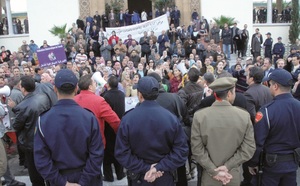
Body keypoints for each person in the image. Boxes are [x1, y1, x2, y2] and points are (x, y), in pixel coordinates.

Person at [34, 69, 104, 186]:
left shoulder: (44, 120)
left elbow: (41, 160)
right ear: (76, 88)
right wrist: (83, 182)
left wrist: (63, 183)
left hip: (60, 178)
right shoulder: (89, 117)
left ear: (55, 88)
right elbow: (96, 155)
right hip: (87, 178)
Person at [115, 76, 188, 186]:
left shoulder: (128, 119)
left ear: (139, 95)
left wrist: (148, 168)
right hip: (163, 174)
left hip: (140, 176)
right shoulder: (171, 118)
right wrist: (157, 167)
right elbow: (181, 151)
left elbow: (121, 153)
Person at [191, 77, 256, 186]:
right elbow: (249, 148)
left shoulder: (200, 116)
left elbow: (197, 149)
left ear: (215, 94)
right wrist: (228, 166)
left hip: (209, 176)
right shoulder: (244, 116)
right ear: (229, 94)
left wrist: (213, 170)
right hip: (231, 175)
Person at [248, 69, 300, 186]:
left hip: (271, 165)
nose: (269, 87)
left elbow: (258, 142)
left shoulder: (267, 111)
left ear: (275, 86)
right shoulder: (298, 106)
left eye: (270, 85)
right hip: (292, 163)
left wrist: (253, 163)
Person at [74, 74, 121, 181]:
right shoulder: (99, 101)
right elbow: (115, 121)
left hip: (76, 144)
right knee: (95, 175)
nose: (96, 85)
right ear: (90, 87)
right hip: (95, 145)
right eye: (95, 83)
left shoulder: (73, 100)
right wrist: (122, 137)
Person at [11, 76, 51, 186]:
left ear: (22, 88)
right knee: (47, 170)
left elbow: (16, 125)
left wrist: (15, 108)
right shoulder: (43, 97)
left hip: (31, 143)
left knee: (35, 175)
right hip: (45, 140)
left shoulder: (22, 106)